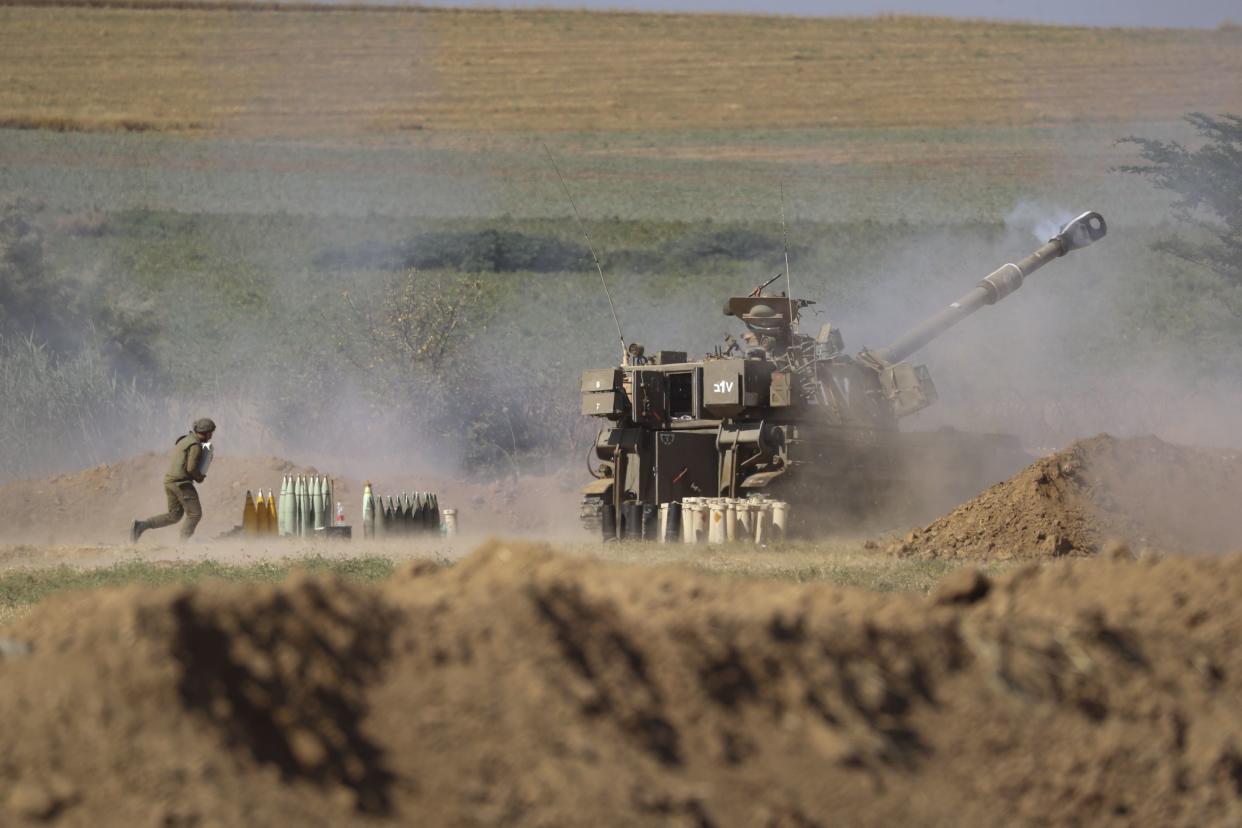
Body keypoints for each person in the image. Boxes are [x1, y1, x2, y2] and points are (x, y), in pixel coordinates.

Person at [130, 417, 215, 543]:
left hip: (170, 482)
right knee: (195, 514)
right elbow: (191, 468)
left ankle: (141, 526)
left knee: (174, 516)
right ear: (207, 432)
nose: (212, 435)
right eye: (211, 433)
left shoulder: (186, 440)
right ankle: (183, 544)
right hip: (181, 483)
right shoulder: (195, 445)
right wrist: (199, 477)